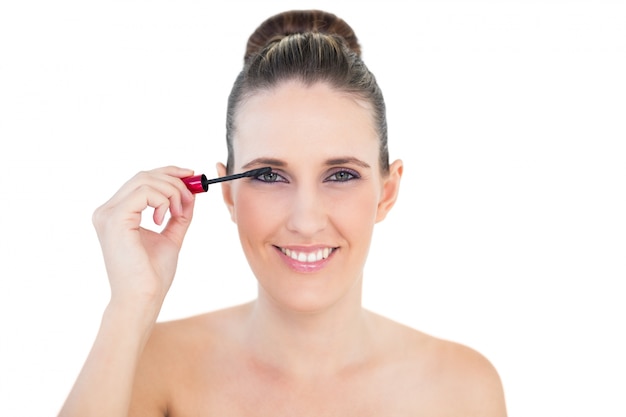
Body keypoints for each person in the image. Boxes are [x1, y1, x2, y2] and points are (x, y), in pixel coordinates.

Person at [58, 9, 507, 416]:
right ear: (228, 194)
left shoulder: (462, 390)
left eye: (341, 176)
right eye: (270, 176)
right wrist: (129, 307)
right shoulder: (151, 366)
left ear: (387, 192)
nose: (306, 220)